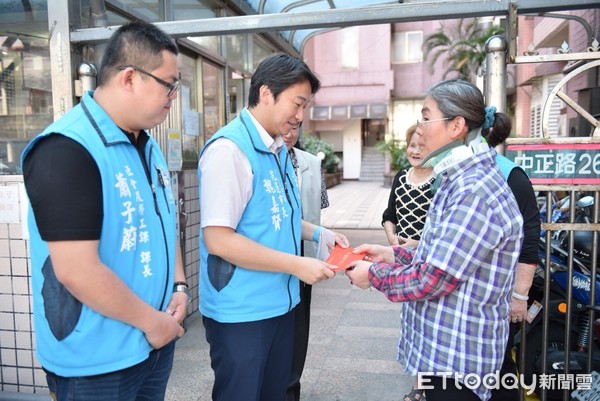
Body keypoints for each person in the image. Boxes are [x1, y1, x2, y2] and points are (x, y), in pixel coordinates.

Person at [21, 21, 186, 401]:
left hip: (152, 343)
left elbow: (165, 220)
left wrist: (179, 285)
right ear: (130, 77)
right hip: (96, 363)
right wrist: (154, 323)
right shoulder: (66, 149)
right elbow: (77, 271)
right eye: (168, 83)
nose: (173, 95)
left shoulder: (146, 143)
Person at [346, 79, 523, 401]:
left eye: (426, 117)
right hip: (444, 352)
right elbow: (442, 257)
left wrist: (372, 276)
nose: (420, 129)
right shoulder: (459, 180)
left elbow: (435, 277)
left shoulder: (474, 191)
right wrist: (391, 255)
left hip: (459, 361)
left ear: (456, 126)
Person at [198, 53, 348, 401]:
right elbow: (219, 239)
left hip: (280, 303)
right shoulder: (229, 151)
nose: (300, 115)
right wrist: (297, 264)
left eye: (305, 106)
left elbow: (278, 215)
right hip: (243, 313)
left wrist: (317, 233)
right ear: (266, 93)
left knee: (276, 392)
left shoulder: (277, 148)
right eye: (297, 103)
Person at [486, 111, 540, 401]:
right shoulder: (455, 170)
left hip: (501, 290)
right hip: (471, 292)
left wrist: (519, 295)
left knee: (500, 364)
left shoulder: (510, 174)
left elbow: (531, 235)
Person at [282, 125, 330, 401]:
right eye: (286, 126)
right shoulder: (266, 161)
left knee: (300, 323)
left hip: (304, 251)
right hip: (275, 254)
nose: (290, 132)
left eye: (295, 127)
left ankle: (292, 387)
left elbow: (320, 204)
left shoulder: (311, 162)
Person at [382, 124, 434, 247]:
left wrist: (418, 244)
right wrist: (391, 237)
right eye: (412, 145)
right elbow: (390, 215)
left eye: (422, 146)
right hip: (399, 256)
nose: (416, 151)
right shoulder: (401, 177)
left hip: (426, 259)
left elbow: (444, 233)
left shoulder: (440, 181)